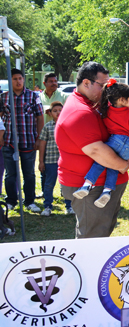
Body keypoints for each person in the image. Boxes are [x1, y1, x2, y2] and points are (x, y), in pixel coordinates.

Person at [56, 62, 129, 238]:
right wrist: (123, 164)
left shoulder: (93, 104)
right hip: (91, 186)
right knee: (93, 238)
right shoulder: (80, 111)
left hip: (102, 184)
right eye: (103, 86)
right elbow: (96, 150)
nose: (107, 91)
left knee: (101, 233)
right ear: (86, 83)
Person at [72, 80, 129, 207]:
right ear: (121, 100)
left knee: (101, 162)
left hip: (116, 140)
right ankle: (107, 191)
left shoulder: (106, 111)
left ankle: (87, 185)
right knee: (113, 166)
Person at [2, 68, 44, 213]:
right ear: (10, 80)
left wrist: (39, 138)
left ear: (23, 79)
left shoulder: (33, 96)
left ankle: (30, 201)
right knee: (10, 174)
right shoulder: (4, 97)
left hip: (29, 141)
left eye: (20, 78)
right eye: (15, 79)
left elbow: (40, 117)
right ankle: (11, 201)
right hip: (8, 141)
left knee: (29, 174)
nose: (18, 81)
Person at [37, 101, 72, 216]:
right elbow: (42, 144)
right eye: (55, 111)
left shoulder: (68, 126)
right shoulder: (47, 127)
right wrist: (41, 161)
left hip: (65, 161)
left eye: (60, 110)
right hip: (50, 161)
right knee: (49, 184)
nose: (58, 113)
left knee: (67, 184)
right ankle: (47, 206)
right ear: (50, 113)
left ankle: (69, 206)